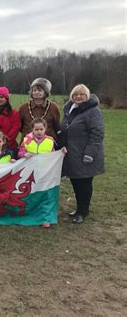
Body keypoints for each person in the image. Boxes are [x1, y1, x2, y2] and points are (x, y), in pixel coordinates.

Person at [59, 84, 104, 224]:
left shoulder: (93, 112)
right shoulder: (70, 110)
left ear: (87, 96)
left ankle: (83, 212)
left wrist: (89, 153)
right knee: (76, 182)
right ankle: (79, 209)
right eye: (76, 94)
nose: (78, 97)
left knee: (84, 184)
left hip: (85, 154)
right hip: (72, 155)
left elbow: (97, 133)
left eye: (82, 95)